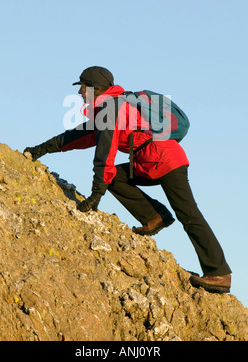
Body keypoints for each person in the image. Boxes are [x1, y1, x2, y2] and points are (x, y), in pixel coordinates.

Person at [24, 66, 232, 293]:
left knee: (188, 214)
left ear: (93, 89)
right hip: (149, 161)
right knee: (115, 178)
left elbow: (105, 152)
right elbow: (78, 135)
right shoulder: (111, 107)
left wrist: (96, 192)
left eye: (82, 87)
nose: (79, 93)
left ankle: (218, 273)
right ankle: (155, 216)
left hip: (165, 159)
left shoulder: (110, 109)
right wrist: (39, 150)